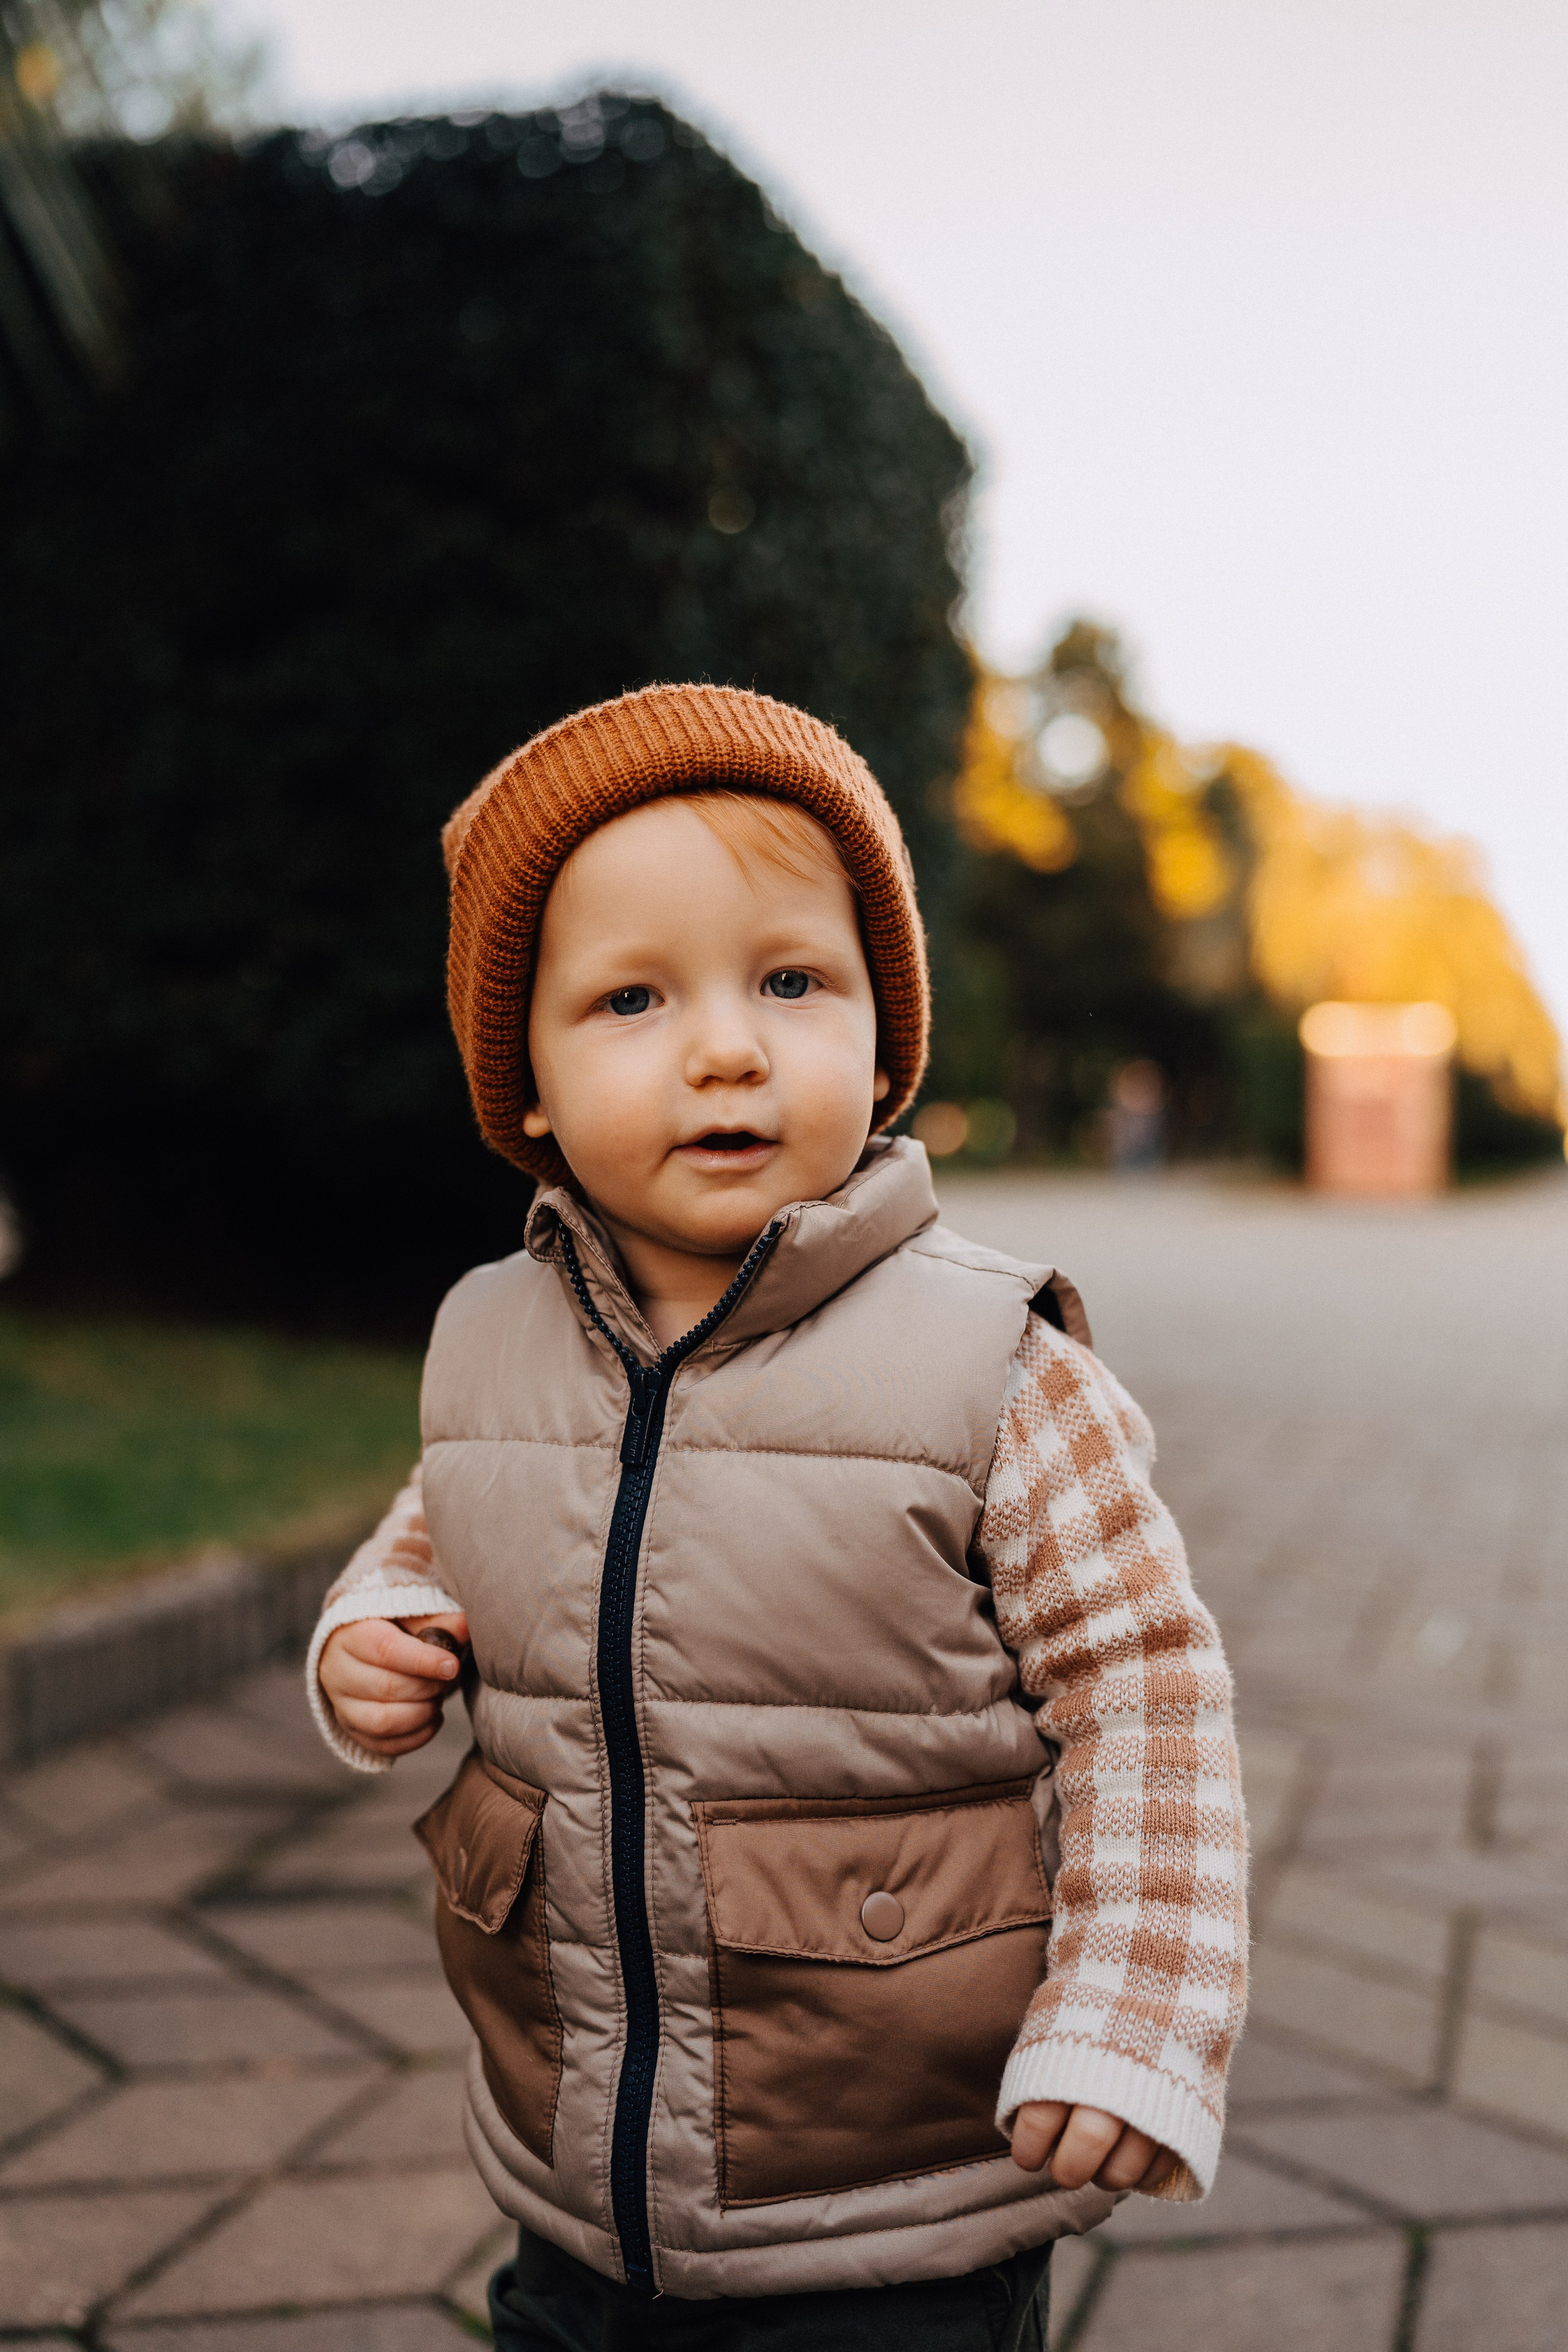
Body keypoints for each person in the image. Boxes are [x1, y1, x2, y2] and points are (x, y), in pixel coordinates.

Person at [309, 684, 1248, 2351]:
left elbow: (1146, 1691)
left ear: (886, 1042)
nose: (727, 1045)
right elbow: (442, 1519)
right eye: (632, 998)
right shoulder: (488, 1340)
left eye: (793, 981)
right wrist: (367, 1629)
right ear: (519, 1083)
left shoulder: (997, 1368)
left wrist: (1132, 2014)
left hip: (898, 2186)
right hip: (576, 2157)